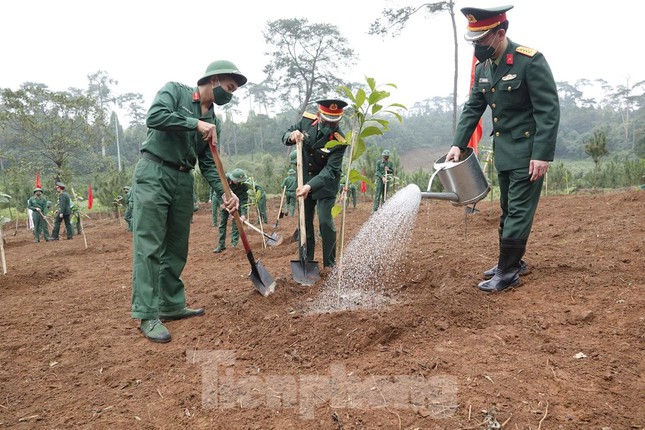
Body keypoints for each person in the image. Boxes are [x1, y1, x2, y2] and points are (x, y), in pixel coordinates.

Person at [446, 5, 559, 292]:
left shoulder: (529, 61)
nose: (477, 46)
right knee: (508, 209)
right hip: (505, 152)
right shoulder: (484, 68)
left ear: (499, 33)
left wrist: (542, 154)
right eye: (473, 41)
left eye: (481, 39)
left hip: (529, 152)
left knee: (519, 210)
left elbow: (548, 110)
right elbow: (474, 107)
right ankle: (510, 261)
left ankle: (507, 272)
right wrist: (457, 145)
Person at [131, 60, 245, 343]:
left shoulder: (214, 120)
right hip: (154, 171)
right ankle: (147, 313)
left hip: (184, 179)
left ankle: (171, 304)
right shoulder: (176, 92)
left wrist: (225, 194)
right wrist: (194, 123)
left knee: (177, 246)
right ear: (215, 80)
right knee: (149, 246)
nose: (229, 96)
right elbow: (155, 117)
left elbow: (208, 162)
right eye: (229, 88)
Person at [282, 98, 348, 268]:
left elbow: (331, 170)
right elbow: (286, 134)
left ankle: (329, 265)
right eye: (327, 121)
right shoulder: (306, 121)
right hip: (304, 178)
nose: (330, 126)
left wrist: (310, 186)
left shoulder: (340, 140)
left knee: (326, 222)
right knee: (305, 223)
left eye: (335, 123)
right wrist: (292, 135)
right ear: (319, 116)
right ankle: (307, 262)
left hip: (325, 184)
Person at [213, 168, 249, 253]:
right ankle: (221, 245)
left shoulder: (244, 185)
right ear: (232, 179)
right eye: (237, 181)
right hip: (225, 202)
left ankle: (234, 245)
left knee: (236, 224)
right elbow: (217, 192)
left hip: (237, 204)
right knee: (222, 224)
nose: (239, 183)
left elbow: (244, 200)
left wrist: (243, 215)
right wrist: (222, 203)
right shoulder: (224, 179)